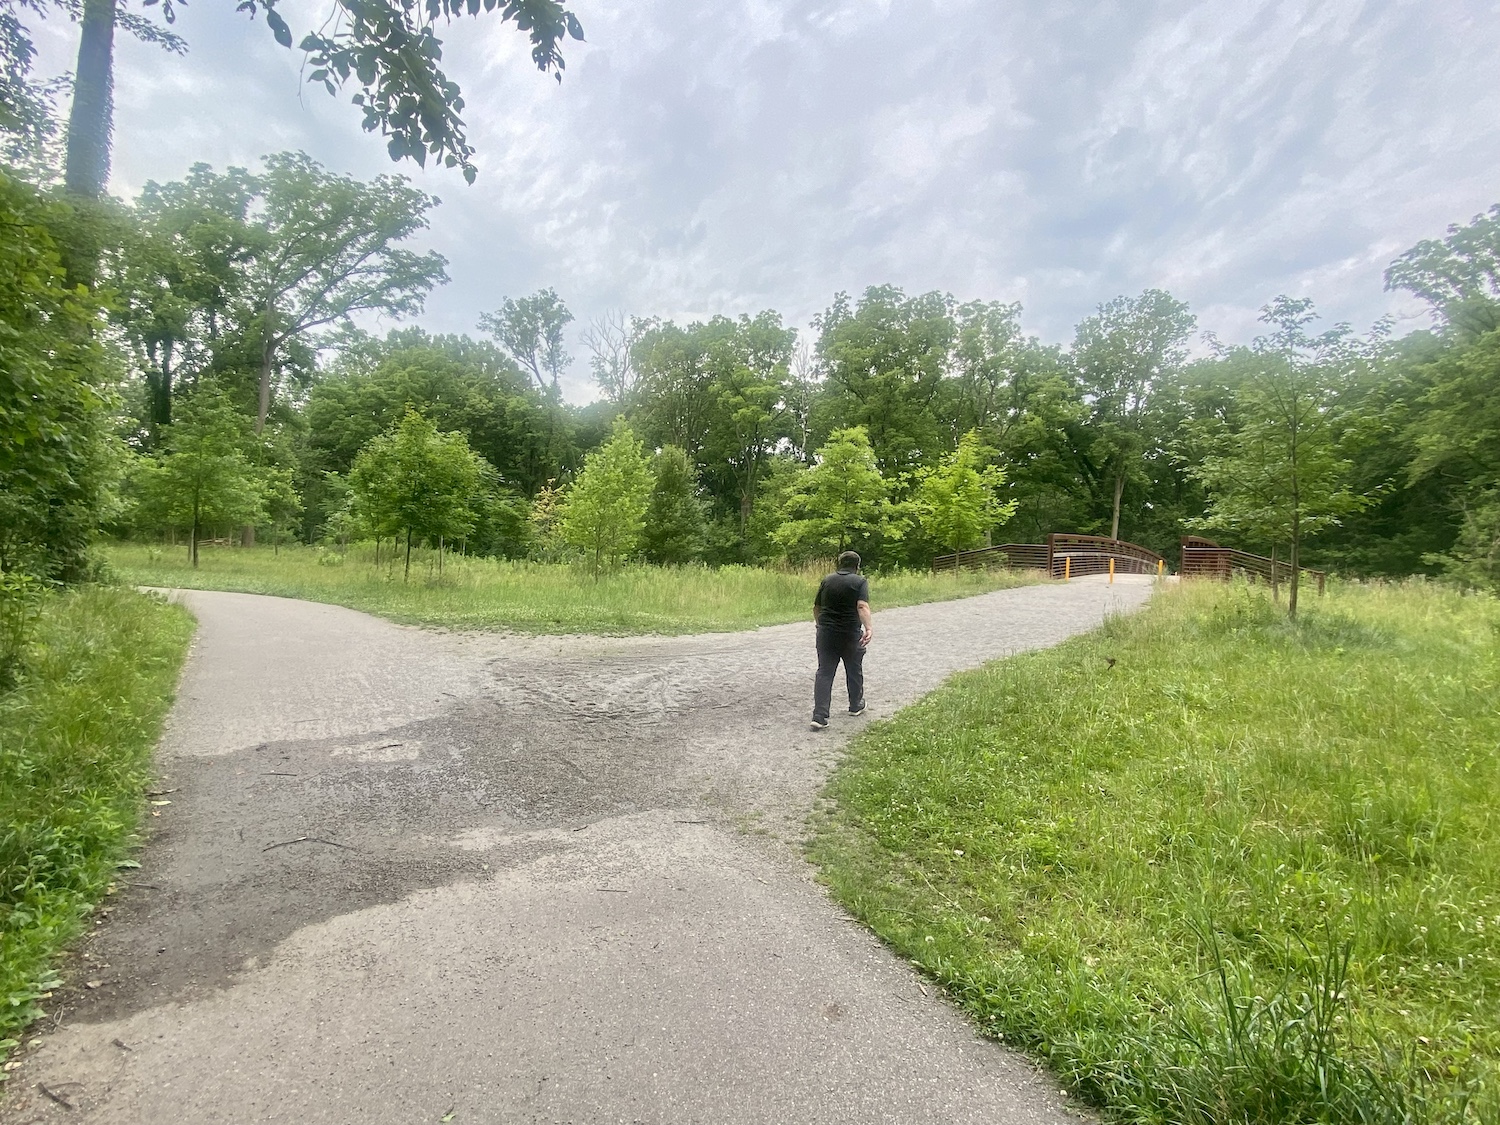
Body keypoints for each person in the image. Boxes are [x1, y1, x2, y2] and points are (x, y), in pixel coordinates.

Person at [809, 550, 873, 731]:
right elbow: (862, 605)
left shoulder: (827, 580)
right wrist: (868, 627)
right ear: (857, 566)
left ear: (839, 563)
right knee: (853, 668)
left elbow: (816, 607)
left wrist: (819, 625)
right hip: (849, 633)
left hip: (826, 633)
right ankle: (855, 704)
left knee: (824, 672)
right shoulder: (859, 581)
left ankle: (820, 716)